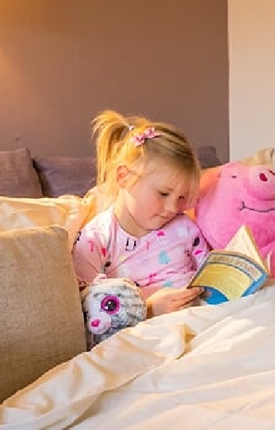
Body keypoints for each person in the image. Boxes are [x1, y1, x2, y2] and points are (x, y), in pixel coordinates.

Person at [72, 110, 210, 318]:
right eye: (163, 194)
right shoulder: (96, 239)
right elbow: (91, 310)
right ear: (124, 177)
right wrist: (148, 310)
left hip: (204, 314)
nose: (173, 207)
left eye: (181, 197)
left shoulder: (184, 227)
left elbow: (209, 273)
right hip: (150, 325)